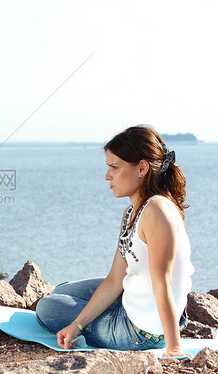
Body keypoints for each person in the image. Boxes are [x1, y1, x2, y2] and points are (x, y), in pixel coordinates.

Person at [35, 125, 195, 358]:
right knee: (62, 290)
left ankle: (153, 333)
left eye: (114, 167)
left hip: (143, 332)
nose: (107, 176)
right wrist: (77, 325)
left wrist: (174, 348)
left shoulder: (157, 211)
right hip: (138, 302)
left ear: (142, 168)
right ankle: (103, 313)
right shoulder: (132, 212)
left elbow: (163, 282)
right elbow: (115, 279)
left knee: (46, 308)